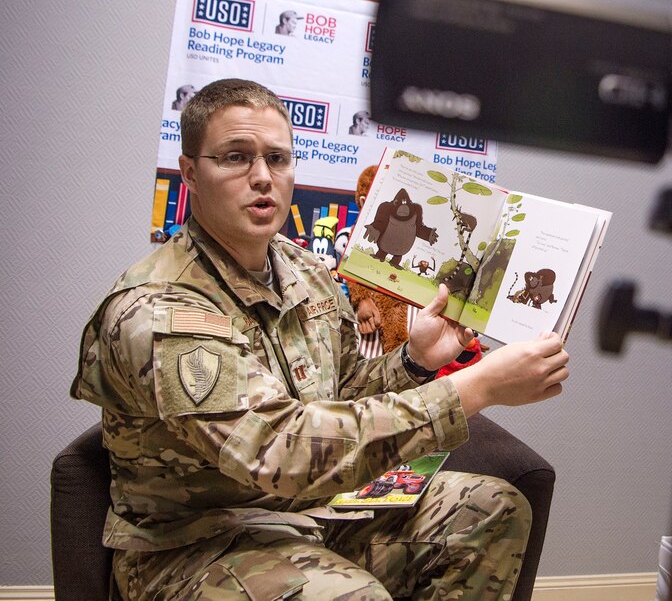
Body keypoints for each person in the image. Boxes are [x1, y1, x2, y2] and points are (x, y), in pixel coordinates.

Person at [74, 78, 570, 599]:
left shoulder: (304, 270)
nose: (262, 177)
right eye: (236, 158)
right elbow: (280, 450)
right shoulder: (159, 309)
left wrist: (418, 361)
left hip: (309, 515)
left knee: (490, 509)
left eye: (278, 159)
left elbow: (347, 387)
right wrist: (477, 387)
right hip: (192, 547)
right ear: (191, 174)